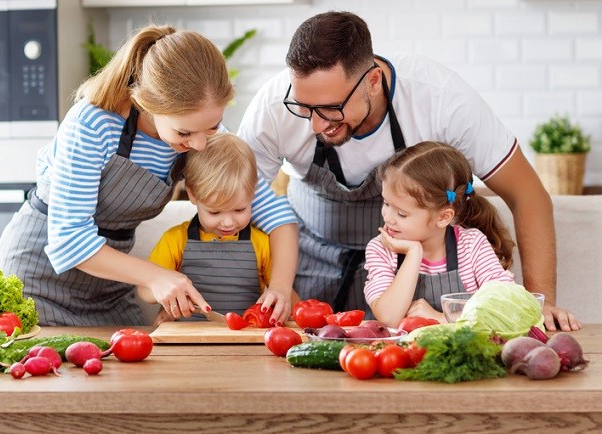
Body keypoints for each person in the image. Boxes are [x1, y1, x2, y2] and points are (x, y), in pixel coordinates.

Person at [237, 10, 580, 331]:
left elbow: (528, 195)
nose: (314, 125)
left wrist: (541, 304)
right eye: (303, 107)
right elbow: (240, 206)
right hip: (309, 268)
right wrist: (284, 293)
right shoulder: (272, 108)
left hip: (412, 285)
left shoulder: (441, 99)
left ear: (372, 80)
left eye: (330, 109)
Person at [0, 25, 298, 327]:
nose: (201, 144)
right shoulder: (93, 124)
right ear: (147, 103)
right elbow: (69, 241)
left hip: (111, 287)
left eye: (212, 127)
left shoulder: (199, 132)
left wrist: (281, 287)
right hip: (35, 279)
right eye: (185, 132)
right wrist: (156, 276)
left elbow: (277, 216)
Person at [139, 133, 301, 323]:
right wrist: (168, 294)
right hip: (188, 339)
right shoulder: (175, 240)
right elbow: (145, 291)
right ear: (192, 194)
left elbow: (284, 294)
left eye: (240, 209)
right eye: (215, 213)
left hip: (245, 340)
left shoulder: (261, 243)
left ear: (253, 194)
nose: (228, 222)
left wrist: (298, 313)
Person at [363, 141, 515, 326]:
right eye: (386, 203)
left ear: (443, 217)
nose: (388, 217)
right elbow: (389, 317)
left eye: (402, 214)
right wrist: (413, 254)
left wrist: (441, 318)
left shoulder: (472, 246)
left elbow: (507, 308)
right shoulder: (382, 249)